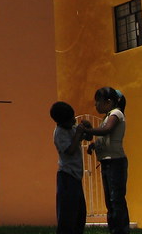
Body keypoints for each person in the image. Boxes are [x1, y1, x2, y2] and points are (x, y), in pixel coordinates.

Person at [81, 86, 129, 234]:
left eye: (98, 101)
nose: (96, 105)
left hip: (116, 162)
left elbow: (107, 130)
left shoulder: (116, 114)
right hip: (108, 162)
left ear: (108, 102)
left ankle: (121, 230)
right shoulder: (107, 116)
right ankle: (114, 229)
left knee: (116, 199)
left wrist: (88, 131)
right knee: (110, 200)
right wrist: (95, 145)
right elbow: (105, 137)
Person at [50, 101, 86, 234]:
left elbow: (87, 136)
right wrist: (78, 135)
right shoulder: (59, 133)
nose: (73, 121)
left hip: (76, 176)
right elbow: (70, 150)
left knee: (79, 213)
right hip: (66, 176)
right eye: (70, 119)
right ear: (60, 121)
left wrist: (86, 129)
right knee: (67, 213)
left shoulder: (72, 128)